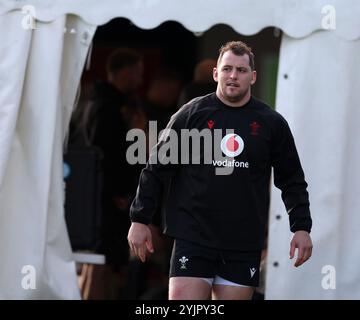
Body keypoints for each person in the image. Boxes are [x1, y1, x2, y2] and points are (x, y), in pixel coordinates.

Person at [127, 41, 313, 300]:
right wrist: (139, 218)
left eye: (241, 70)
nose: (233, 76)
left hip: (243, 242)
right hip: (193, 236)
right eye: (227, 69)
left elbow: (292, 179)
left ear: (253, 77)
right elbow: (156, 168)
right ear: (216, 73)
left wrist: (301, 227)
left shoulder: (271, 123)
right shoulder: (191, 115)